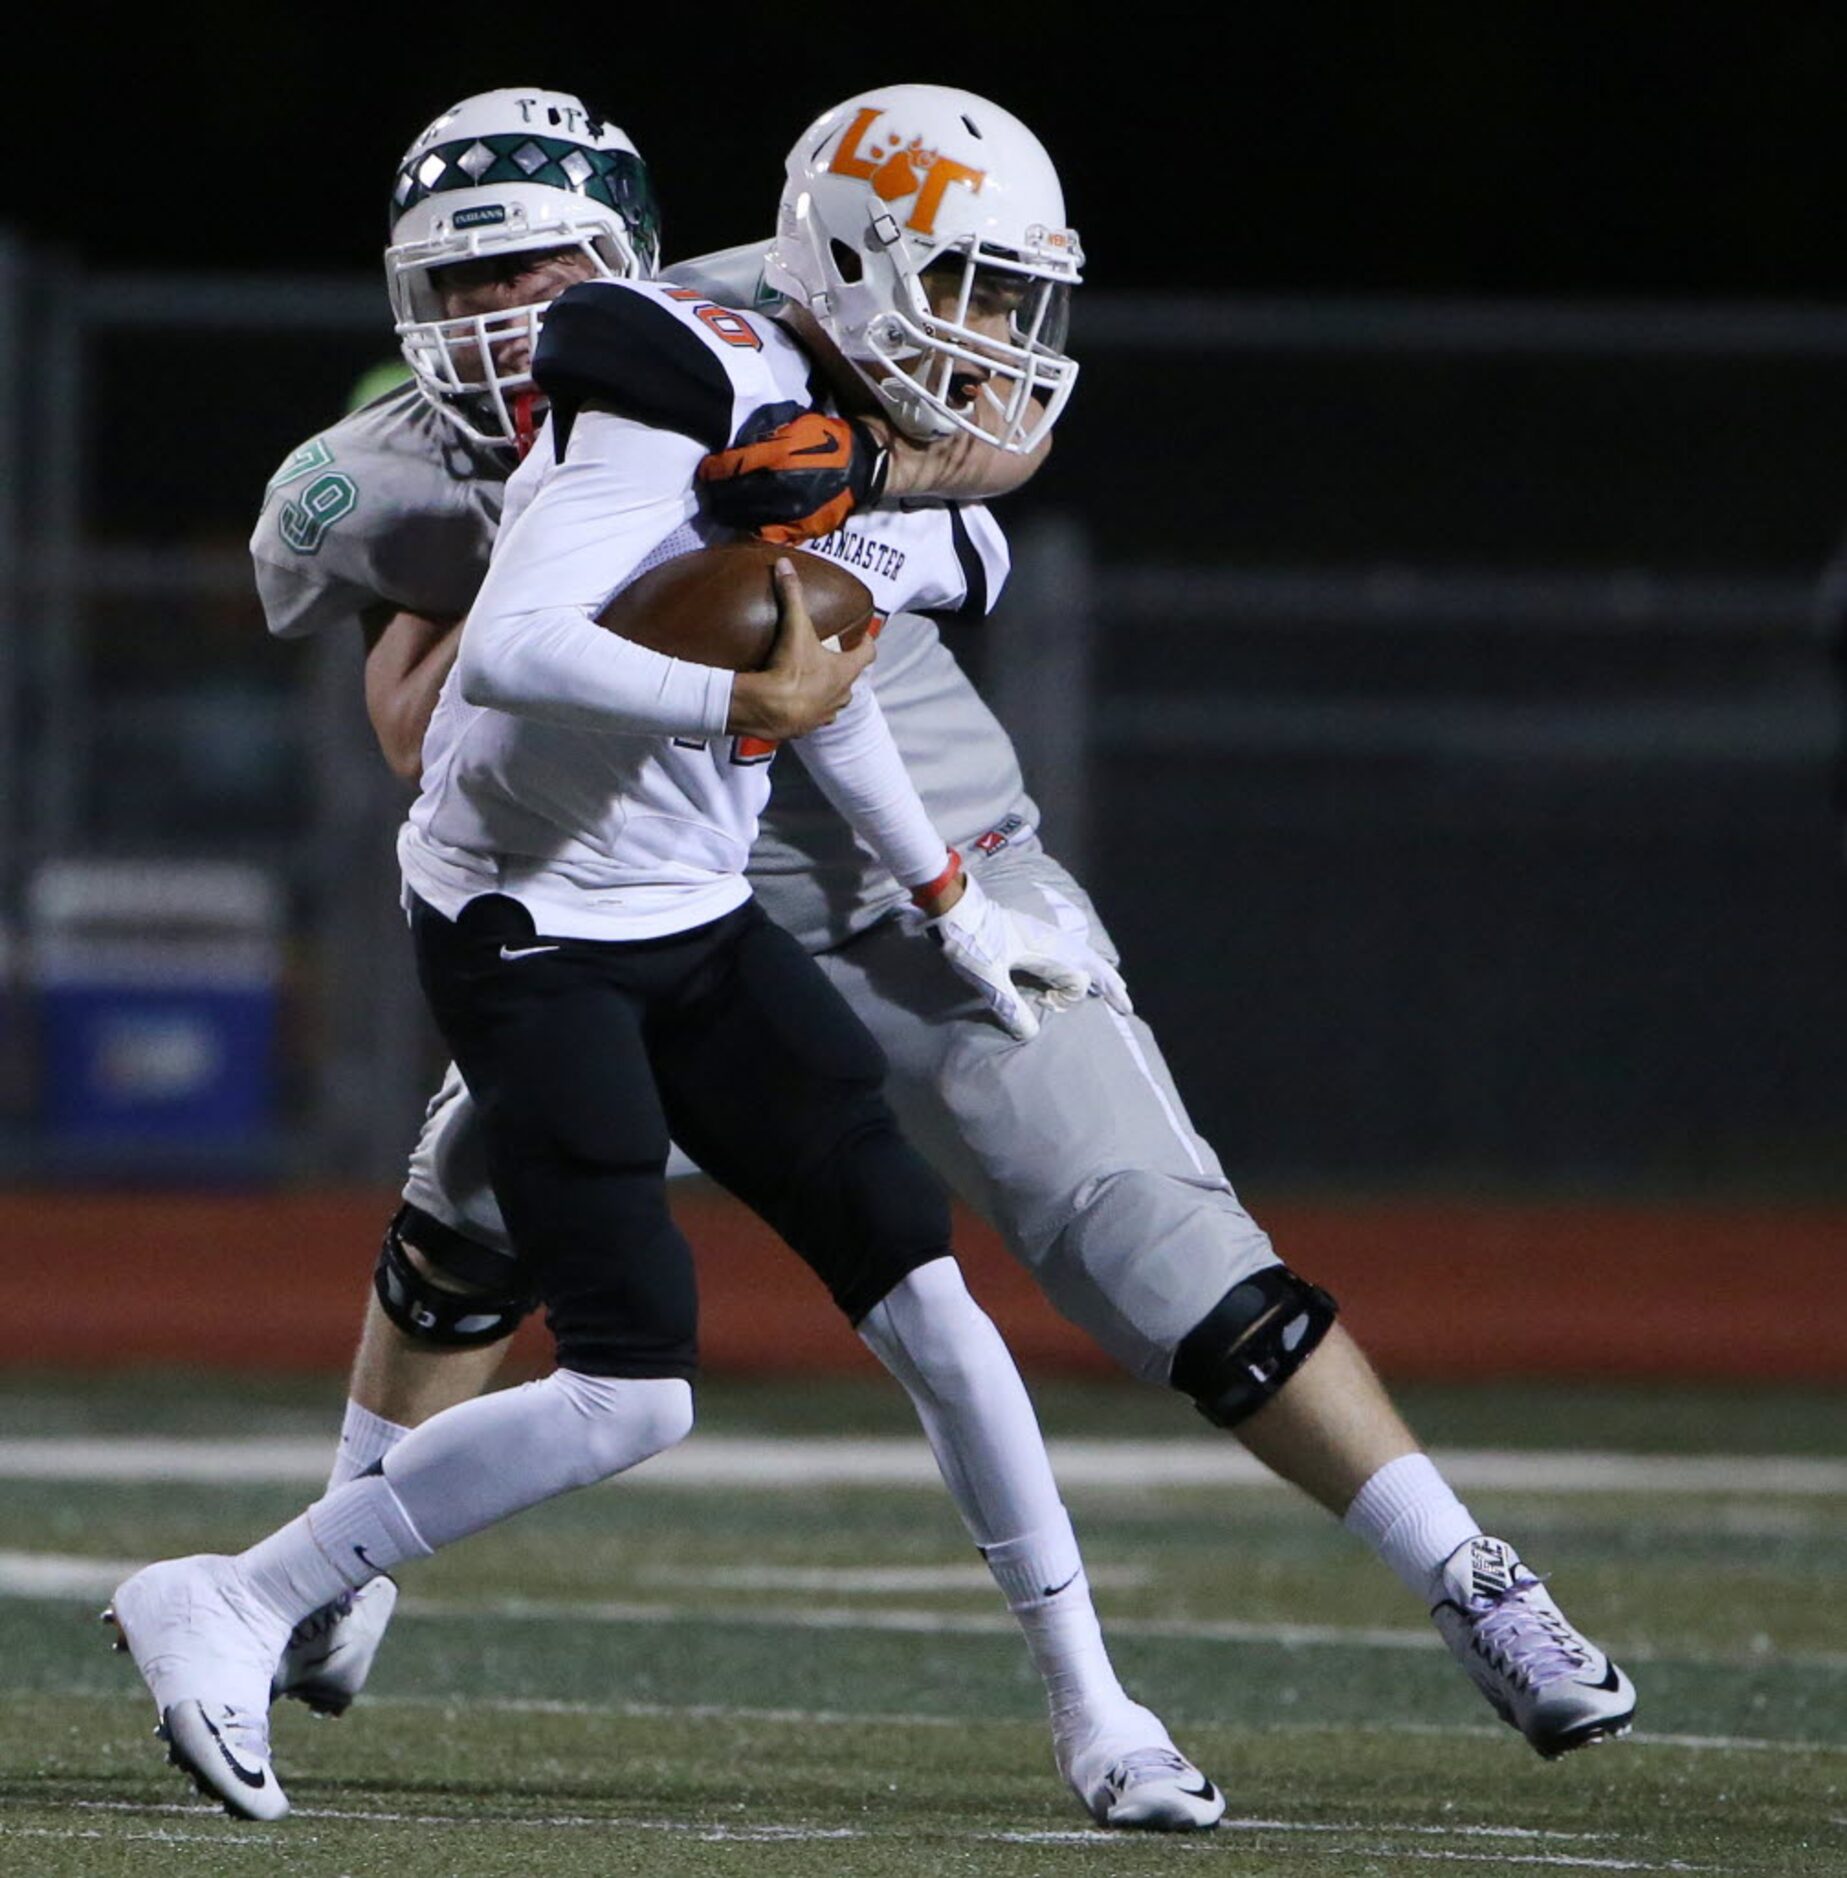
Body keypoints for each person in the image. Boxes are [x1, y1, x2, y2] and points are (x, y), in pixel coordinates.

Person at [251, 83, 1634, 1770]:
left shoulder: (757, 319)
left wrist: (844, 466)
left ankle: (1469, 1574)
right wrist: (570, 530)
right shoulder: (397, 473)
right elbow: (413, 731)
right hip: (674, 891)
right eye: (461, 288)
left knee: (1150, 1235)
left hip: (925, 848)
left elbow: (1010, 418)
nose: (504, 321)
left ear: (631, 256)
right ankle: (334, 1565)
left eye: (542, 275)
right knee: (470, 1197)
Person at [111, 88, 1221, 1833]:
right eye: (958, 291)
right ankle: (241, 1593)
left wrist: (952, 903)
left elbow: (831, 666)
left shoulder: (807, 413)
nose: (985, 341)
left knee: (928, 1294)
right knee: (636, 1395)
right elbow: (525, 654)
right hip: (530, 926)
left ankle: (1100, 1708)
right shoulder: (659, 375)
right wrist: (741, 692)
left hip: (686, 914)